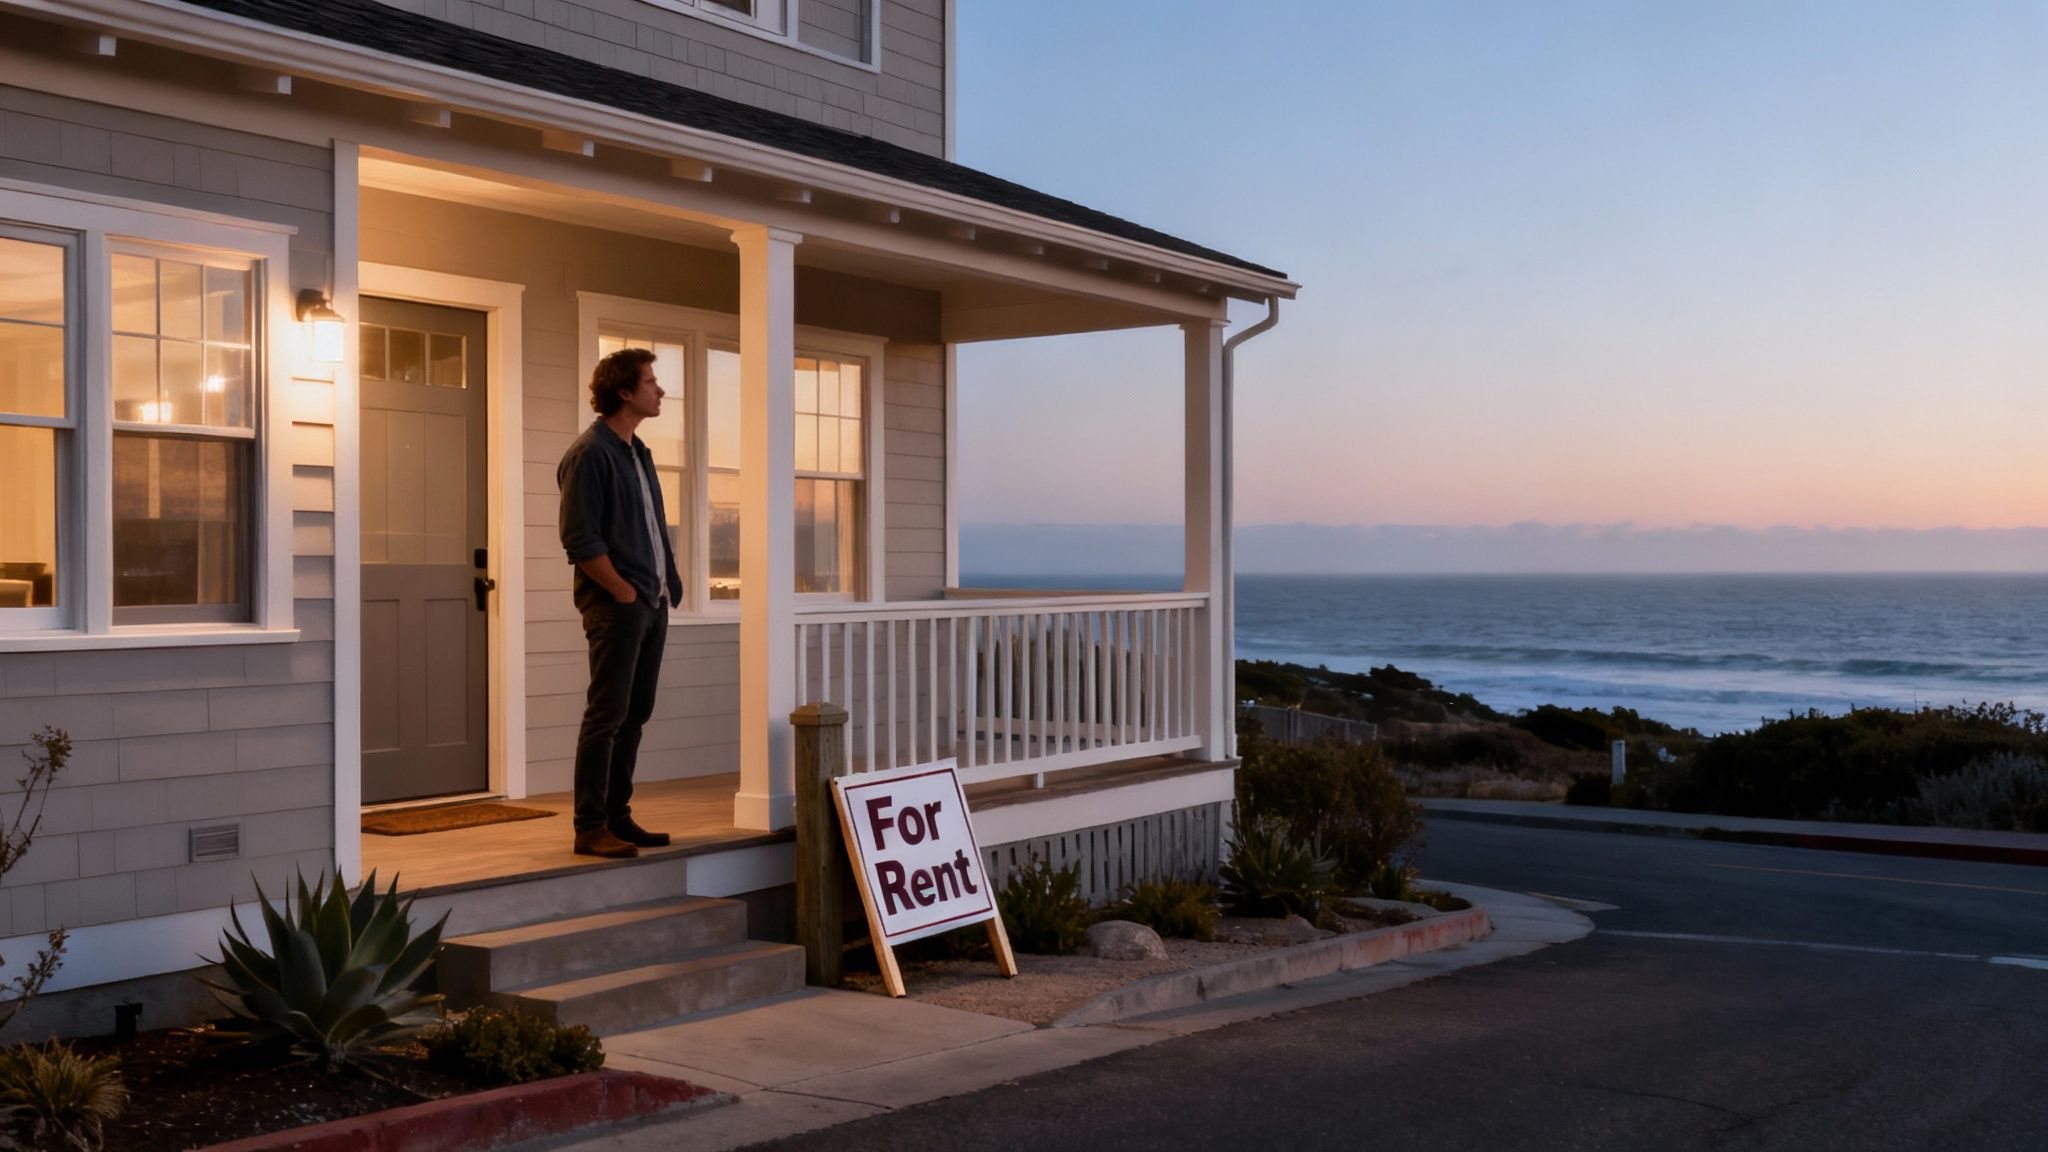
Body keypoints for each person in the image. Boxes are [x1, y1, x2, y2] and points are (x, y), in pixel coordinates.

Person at [557, 347, 683, 859]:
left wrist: (666, 583)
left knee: (636, 710)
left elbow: (651, 525)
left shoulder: (638, 451)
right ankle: (589, 826)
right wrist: (622, 590)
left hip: (651, 602)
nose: (660, 389)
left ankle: (617, 815)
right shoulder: (590, 454)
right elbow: (580, 539)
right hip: (618, 605)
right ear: (625, 392)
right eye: (651, 382)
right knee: (607, 713)